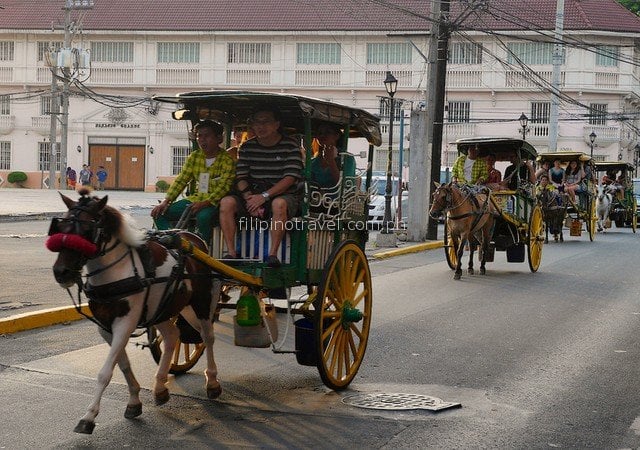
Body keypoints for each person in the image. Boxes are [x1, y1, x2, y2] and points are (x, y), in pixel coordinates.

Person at [219, 105, 304, 267]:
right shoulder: (247, 147)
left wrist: (264, 197)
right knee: (226, 202)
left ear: (277, 124)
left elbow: (290, 178)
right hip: (253, 194)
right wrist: (250, 198)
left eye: (265, 122)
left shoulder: (290, 146)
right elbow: (241, 177)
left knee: (278, 204)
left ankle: (272, 254)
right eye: (256, 122)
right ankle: (231, 252)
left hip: (283, 194)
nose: (260, 126)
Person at [151, 120, 235, 245]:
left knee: (203, 217)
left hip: (213, 203)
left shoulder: (227, 160)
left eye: (206, 136)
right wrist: (166, 201)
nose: (202, 140)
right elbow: (181, 180)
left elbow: (224, 187)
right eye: (199, 136)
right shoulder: (194, 157)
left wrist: (204, 203)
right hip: (194, 200)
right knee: (158, 213)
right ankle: (173, 241)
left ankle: (202, 249)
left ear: (219, 139)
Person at [310, 121, 356, 188]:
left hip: (339, 197)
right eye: (319, 133)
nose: (322, 136)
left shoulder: (347, 158)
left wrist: (331, 161)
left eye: (327, 132)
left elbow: (345, 185)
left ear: (337, 136)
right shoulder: (314, 161)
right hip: (317, 196)